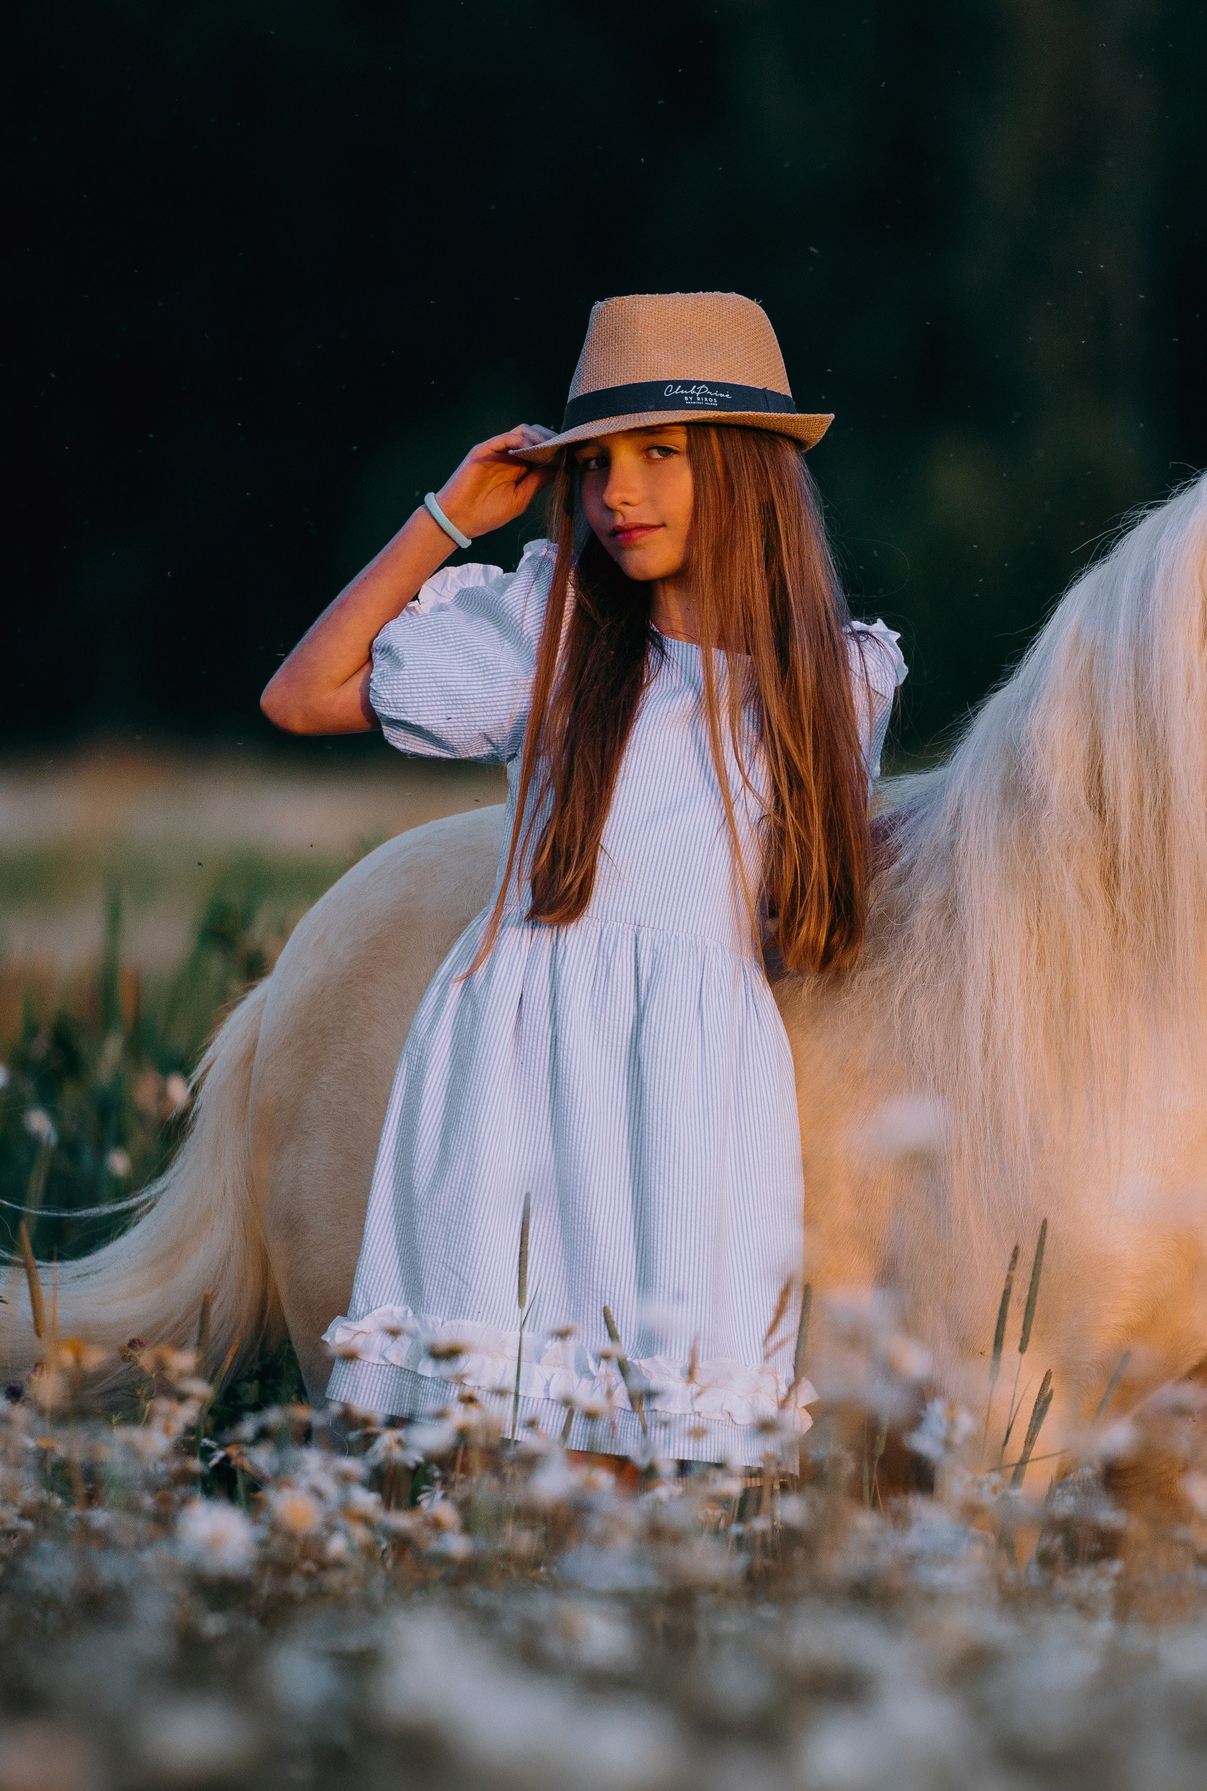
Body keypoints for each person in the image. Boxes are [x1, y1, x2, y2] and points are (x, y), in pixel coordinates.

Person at [259, 292, 903, 1470]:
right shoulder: (551, 634)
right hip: (516, 1067)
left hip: (697, 1099)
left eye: (661, 454)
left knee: (661, 1466)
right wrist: (444, 518)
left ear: (748, 468)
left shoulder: (834, 685)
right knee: (490, 1454)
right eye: (597, 461)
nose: (618, 491)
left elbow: (810, 909)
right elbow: (300, 695)